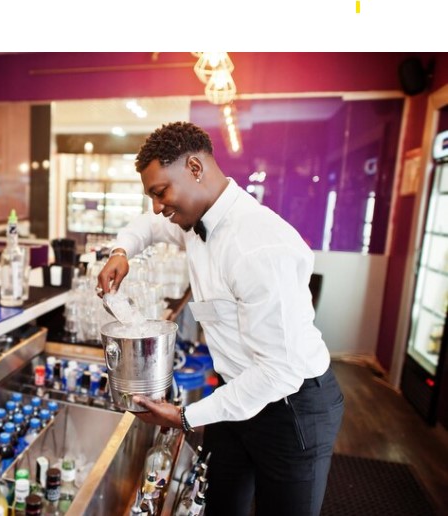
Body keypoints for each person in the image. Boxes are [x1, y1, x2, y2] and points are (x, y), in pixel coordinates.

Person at [97, 122, 344, 516]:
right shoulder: (195, 221)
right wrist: (120, 252)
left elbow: (278, 372)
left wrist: (183, 417)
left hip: (291, 407)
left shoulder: (258, 246)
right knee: (218, 505)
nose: (158, 207)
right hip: (235, 395)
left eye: (160, 193)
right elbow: (147, 226)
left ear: (195, 168)